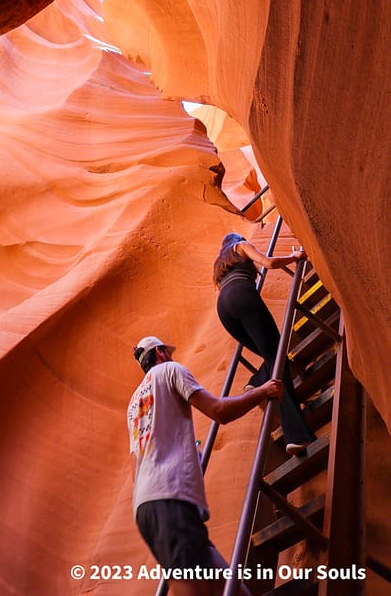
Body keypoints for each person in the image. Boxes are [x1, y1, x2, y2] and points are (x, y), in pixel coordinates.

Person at [128, 335, 284, 596]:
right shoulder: (170, 370)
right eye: (169, 352)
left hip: (149, 506)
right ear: (161, 353)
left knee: (231, 589)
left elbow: (138, 466)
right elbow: (219, 411)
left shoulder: (134, 403)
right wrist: (262, 391)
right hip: (171, 502)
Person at [213, 232, 316, 456]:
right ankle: (296, 436)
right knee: (278, 359)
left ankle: (258, 380)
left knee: (271, 356)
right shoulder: (240, 246)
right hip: (242, 295)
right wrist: (295, 257)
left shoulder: (221, 265)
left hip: (223, 309)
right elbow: (268, 262)